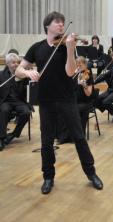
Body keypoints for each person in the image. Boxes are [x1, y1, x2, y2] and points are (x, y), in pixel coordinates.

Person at [15, 11, 103, 194]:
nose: (62, 25)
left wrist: (71, 50)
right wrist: (27, 73)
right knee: (46, 141)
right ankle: (48, 177)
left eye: (63, 22)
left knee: (79, 137)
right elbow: (18, 70)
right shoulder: (37, 48)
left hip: (66, 99)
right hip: (46, 101)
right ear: (47, 25)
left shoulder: (66, 46)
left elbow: (70, 72)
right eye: (57, 22)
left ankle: (91, 173)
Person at [57, 56, 95, 144]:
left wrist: (84, 85)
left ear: (85, 65)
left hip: (85, 102)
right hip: (73, 101)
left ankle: (76, 137)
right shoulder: (74, 75)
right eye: (76, 65)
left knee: (73, 110)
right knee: (61, 109)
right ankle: (64, 136)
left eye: (80, 65)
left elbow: (89, 94)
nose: (78, 67)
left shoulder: (88, 75)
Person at [0, 53, 30, 150]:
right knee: (3, 111)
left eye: (18, 62)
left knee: (26, 112)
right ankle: (1, 137)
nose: (16, 64)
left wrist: (27, 75)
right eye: (13, 62)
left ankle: (13, 134)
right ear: (7, 63)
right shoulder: (1, 75)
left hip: (19, 101)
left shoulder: (23, 74)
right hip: (6, 101)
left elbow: (29, 88)